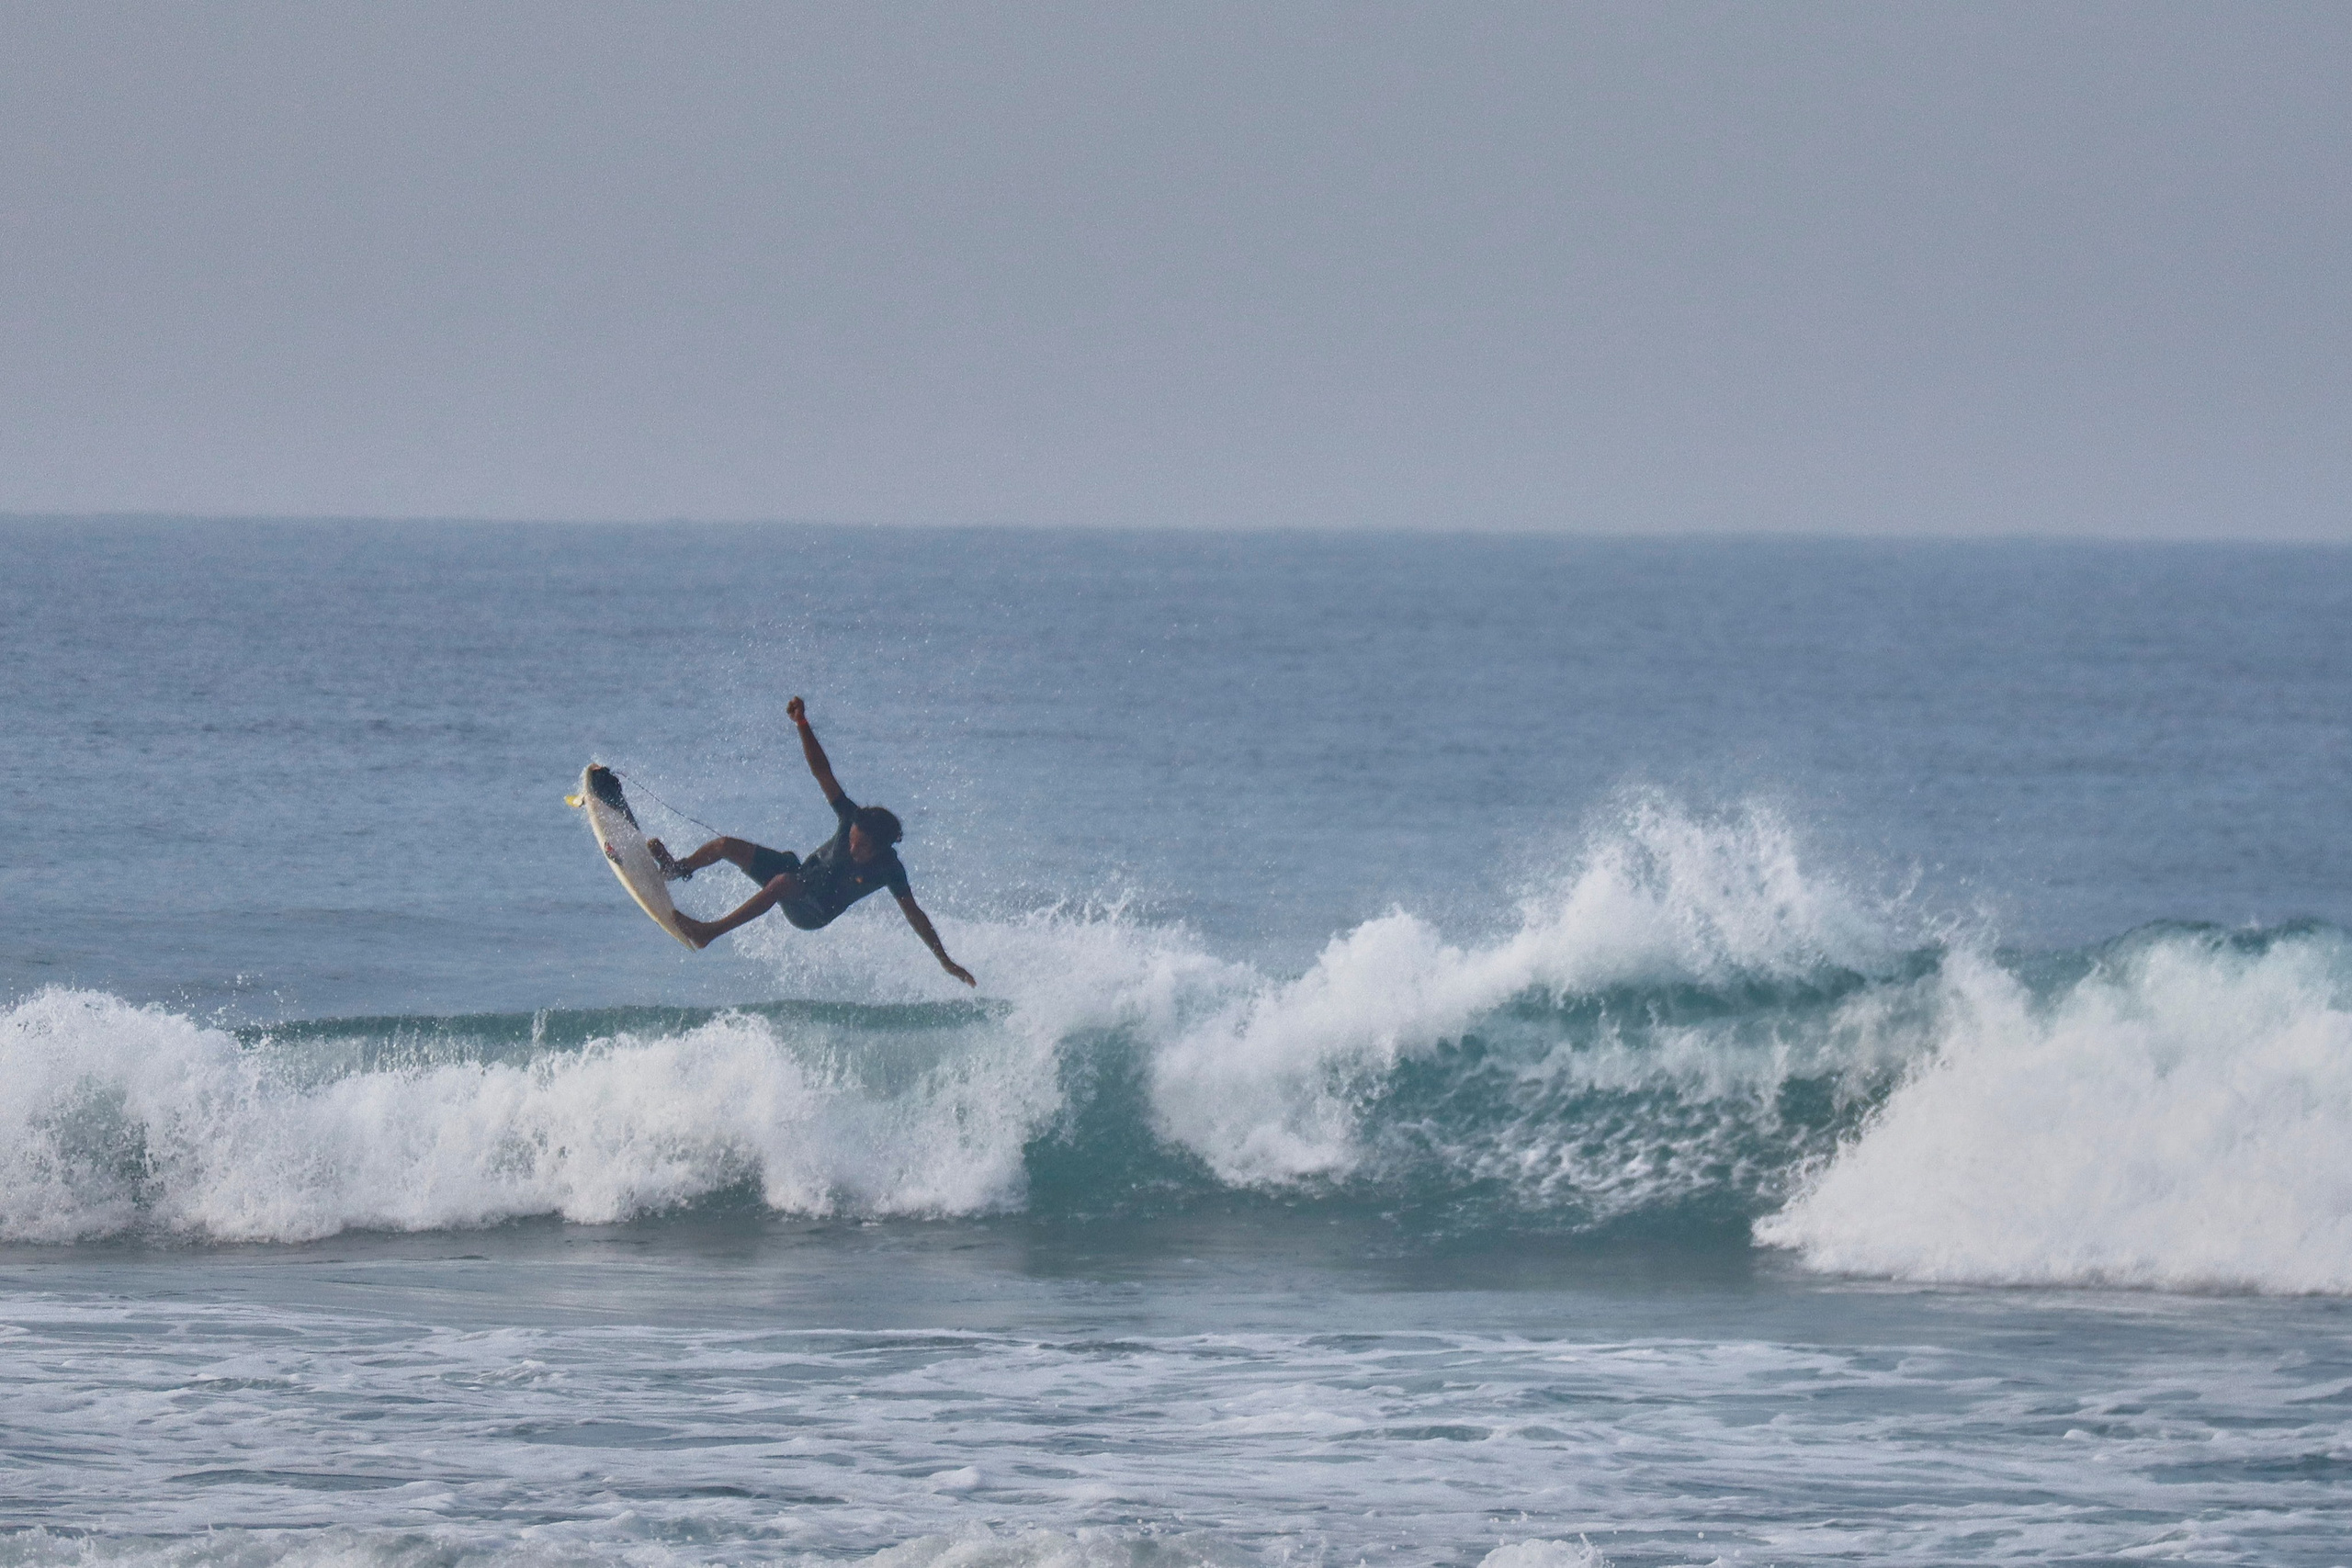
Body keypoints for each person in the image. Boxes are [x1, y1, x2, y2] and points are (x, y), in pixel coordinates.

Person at [647, 696, 976, 986]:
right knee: (726, 846)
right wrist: (802, 723)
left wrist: (944, 961)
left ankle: (708, 933)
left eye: (861, 847)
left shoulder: (890, 869)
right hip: (800, 873)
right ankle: (678, 868)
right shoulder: (852, 818)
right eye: (852, 841)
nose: (852, 847)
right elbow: (822, 771)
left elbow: (915, 914)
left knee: (782, 883)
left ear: (881, 849)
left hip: (814, 910)